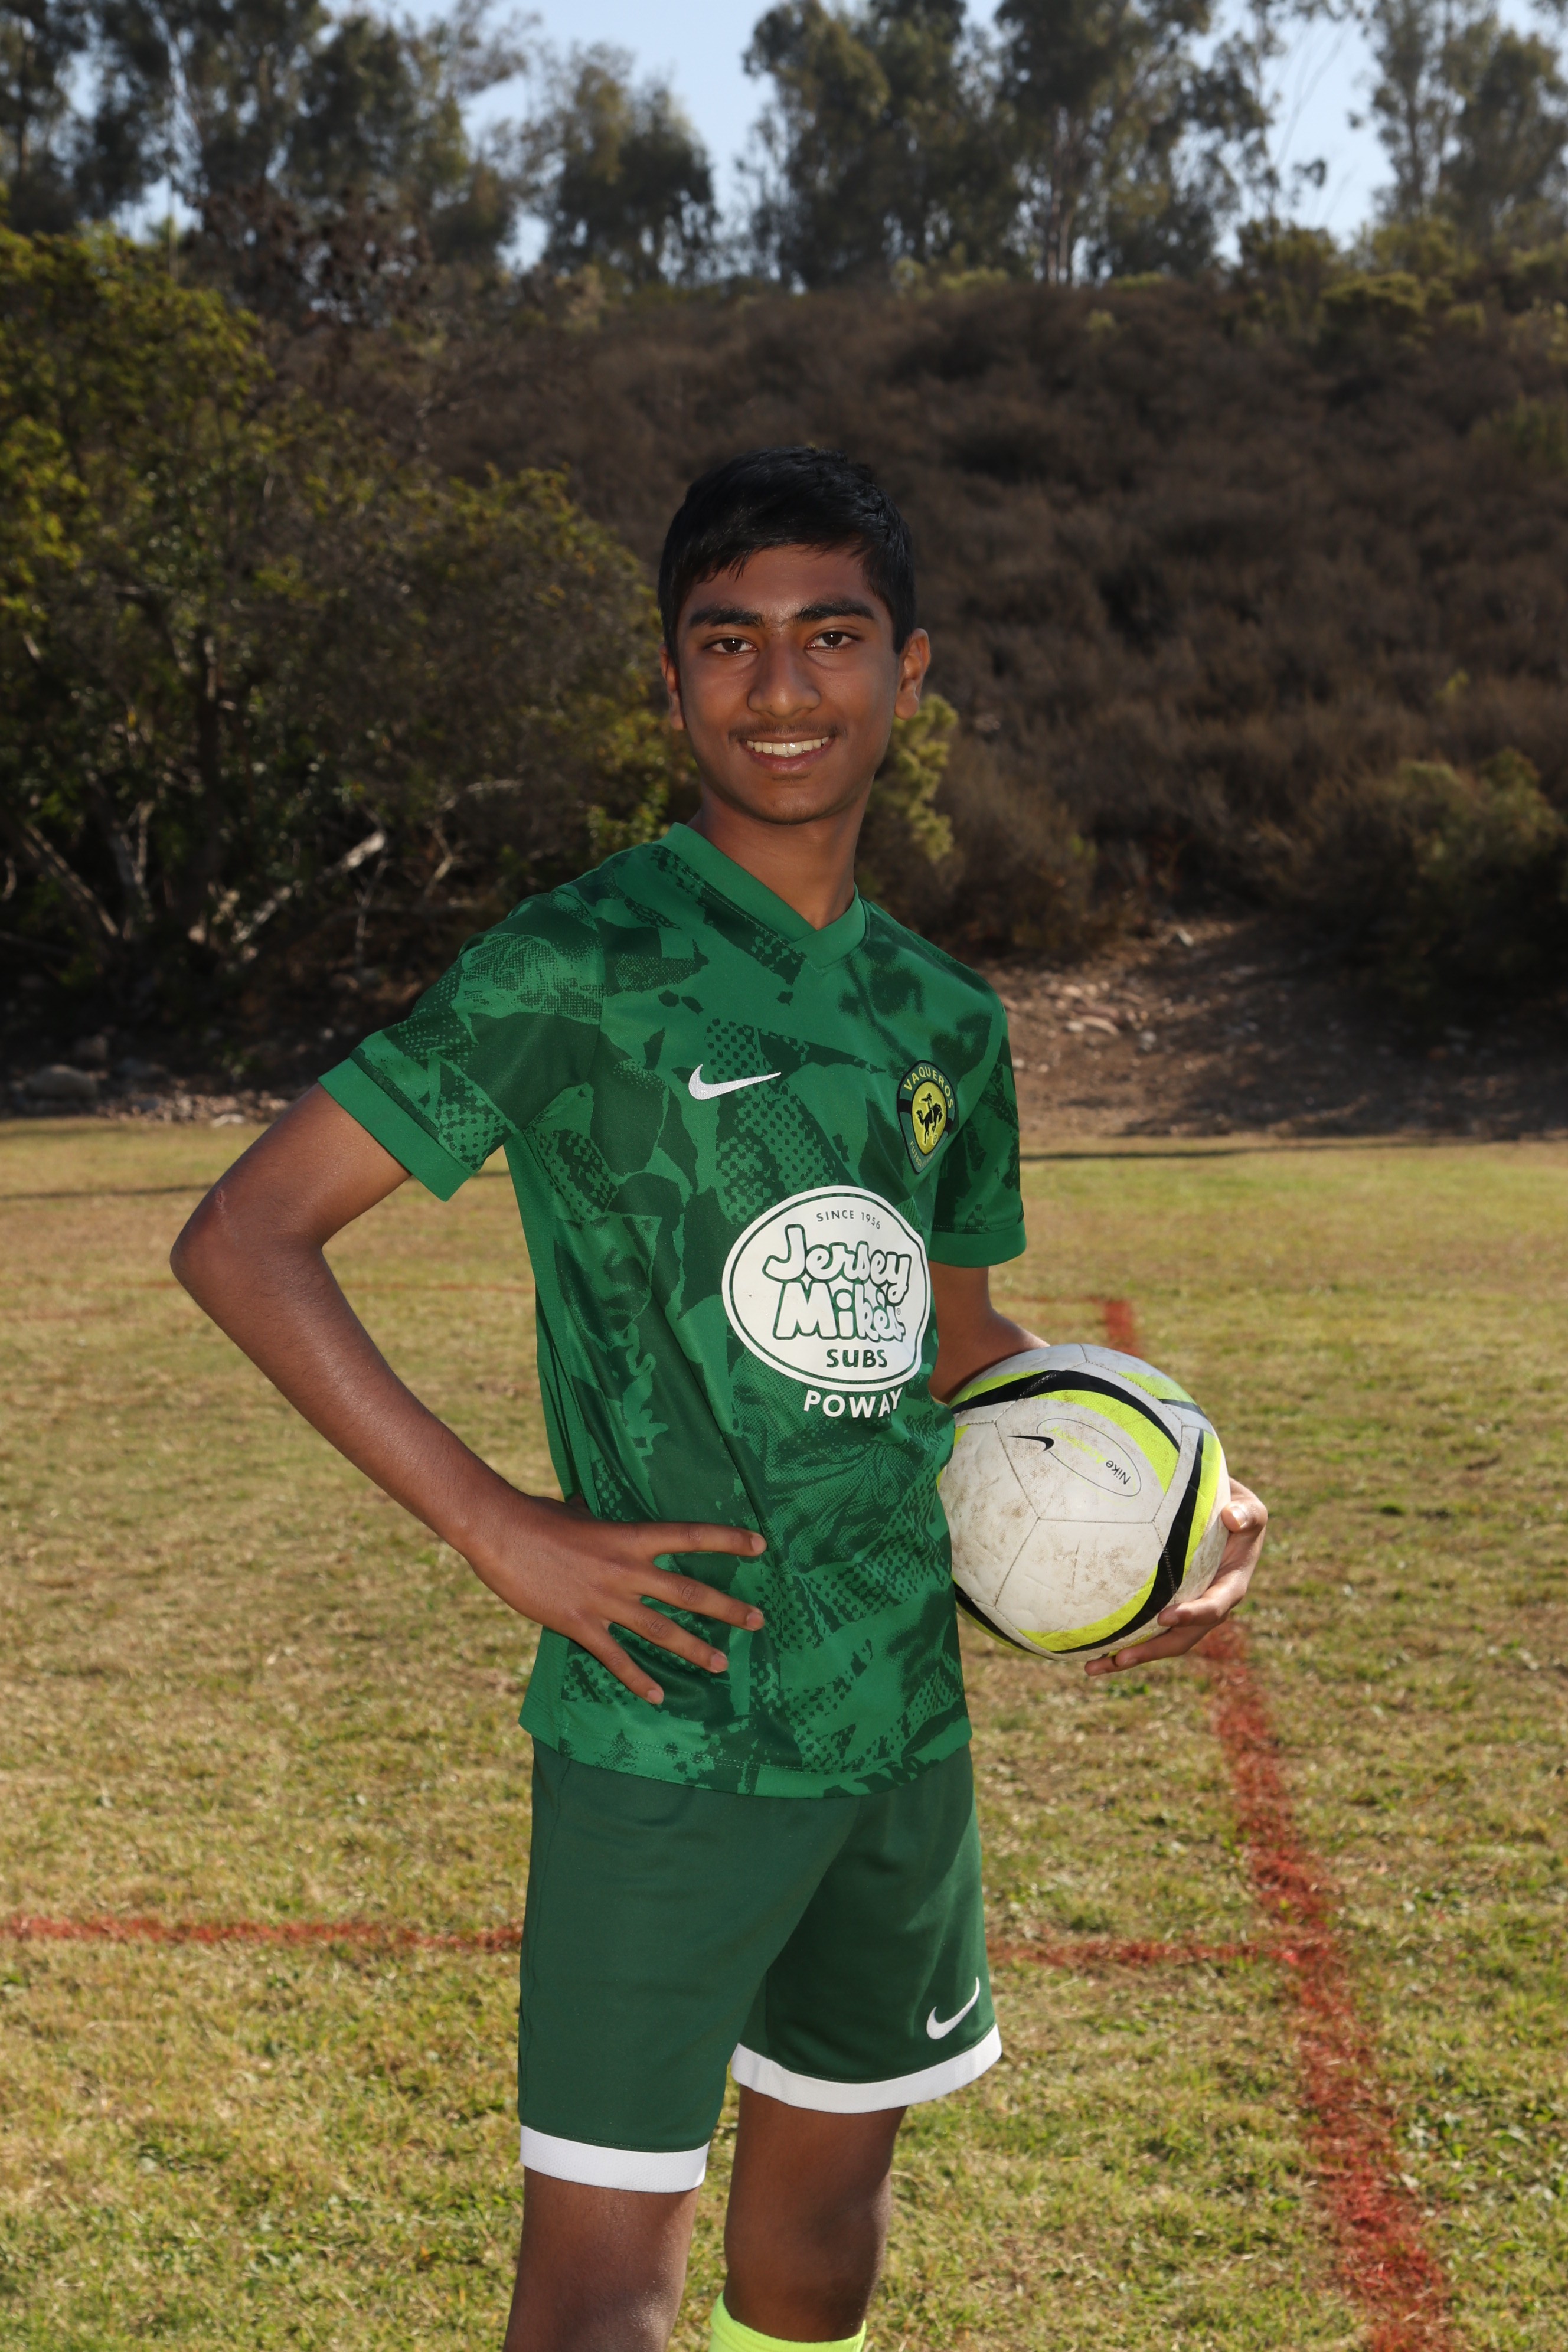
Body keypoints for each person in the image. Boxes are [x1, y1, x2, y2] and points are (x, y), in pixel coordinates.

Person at [172, 446, 1268, 2352]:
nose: (781, 686)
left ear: (908, 673)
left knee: (822, 2244)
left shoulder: (946, 1018)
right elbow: (245, 1238)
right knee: (606, 2294)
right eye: (729, 640)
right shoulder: (579, 964)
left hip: (897, 1709)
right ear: (670, 682)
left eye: (831, 637)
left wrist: (1173, 1493)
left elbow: (953, 1340)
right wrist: (499, 1528)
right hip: (667, 1720)